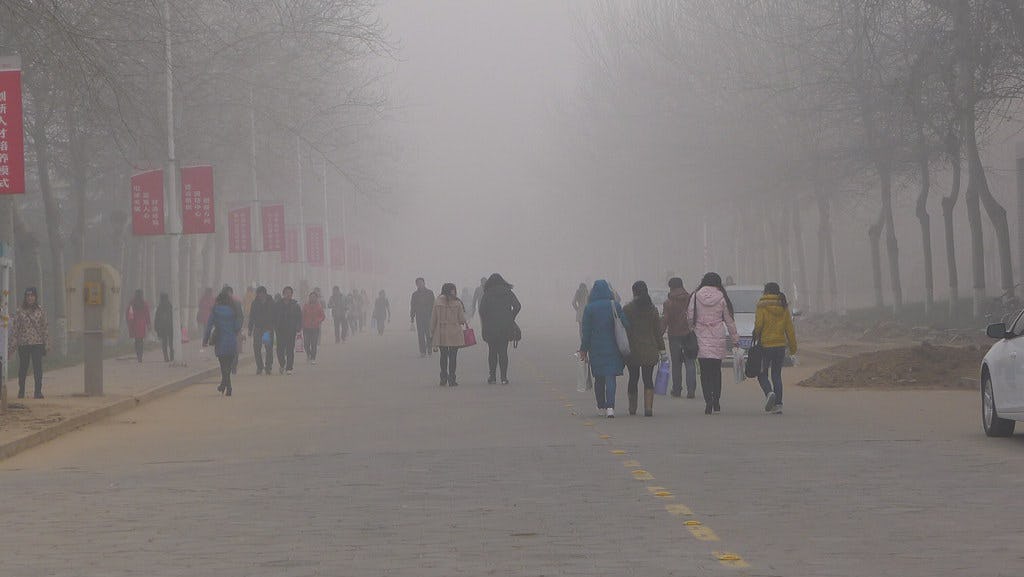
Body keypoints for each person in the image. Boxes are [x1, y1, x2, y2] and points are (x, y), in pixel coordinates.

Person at [687, 272, 739, 415]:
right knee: (716, 371)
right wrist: (735, 339)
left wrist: (693, 327)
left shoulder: (696, 296)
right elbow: (729, 320)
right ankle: (716, 400)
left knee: (704, 372)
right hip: (717, 336)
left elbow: (690, 316)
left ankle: (708, 401)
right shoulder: (722, 297)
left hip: (700, 336)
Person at [579, 280, 626, 418]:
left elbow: (586, 331)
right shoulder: (615, 305)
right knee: (610, 377)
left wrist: (583, 349)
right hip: (613, 347)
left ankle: (600, 406)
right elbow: (625, 323)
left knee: (599, 378)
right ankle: (610, 407)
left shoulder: (589, 308)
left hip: (596, 348)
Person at [754, 282, 798, 414]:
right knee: (776, 375)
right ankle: (778, 404)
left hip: (765, 346)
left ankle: (769, 393)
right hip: (779, 346)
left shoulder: (761, 305)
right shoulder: (783, 306)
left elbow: (759, 325)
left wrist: (755, 334)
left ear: (765, 292)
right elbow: (789, 329)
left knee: (762, 374)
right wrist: (793, 347)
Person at [623, 281, 665, 417]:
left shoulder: (628, 309)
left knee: (633, 378)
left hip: (633, 350)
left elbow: (624, 330)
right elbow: (657, 332)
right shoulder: (652, 309)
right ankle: (648, 408)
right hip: (650, 349)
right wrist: (662, 349)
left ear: (634, 292)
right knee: (648, 379)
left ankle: (632, 408)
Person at [478, 273, 522, 385]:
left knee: (492, 352)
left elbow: (482, 310)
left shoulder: (487, 294)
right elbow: (517, 306)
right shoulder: (508, 292)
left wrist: (487, 320)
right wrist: (510, 317)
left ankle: (492, 377)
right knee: (503, 352)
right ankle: (504, 377)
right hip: (505, 327)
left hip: (491, 327)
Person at [8, 287, 49, 399]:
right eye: (28, 295)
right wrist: (11, 347)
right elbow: (16, 329)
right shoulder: (19, 311)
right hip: (23, 343)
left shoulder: (40, 311)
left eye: (32, 295)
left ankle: (38, 392)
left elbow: (44, 328)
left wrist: (47, 343)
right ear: (25, 297)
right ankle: (21, 391)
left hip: (37, 343)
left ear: (35, 297)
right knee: (23, 368)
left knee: (37, 368)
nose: (30, 298)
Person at [203, 288, 243, 396]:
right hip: (231, 340)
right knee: (228, 366)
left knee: (223, 366)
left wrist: (205, 340)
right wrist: (235, 331)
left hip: (220, 340)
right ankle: (225, 385)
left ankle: (226, 386)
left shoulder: (215, 310)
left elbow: (209, 326)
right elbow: (238, 325)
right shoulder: (233, 310)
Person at [662, 277, 697, 398]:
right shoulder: (691, 300)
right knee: (690, 362)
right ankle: (691, 390)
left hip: (674, 335)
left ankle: (677, 389)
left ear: (671, 287)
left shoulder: (668, 303)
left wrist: (659, 334)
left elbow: (665, 320)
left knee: (676, 364)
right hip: (689, 334)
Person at [430, 283, 468, 386]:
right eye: (453, 290)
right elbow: (461, 319)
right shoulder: (457, 303)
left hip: (442, 332)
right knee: (453, 356)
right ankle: (452, 378)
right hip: (454, 332)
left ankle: (443, 378)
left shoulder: (437, 302)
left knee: (443, 356)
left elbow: (433, 318)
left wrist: (432, 331)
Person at [248, 286, 276, 376]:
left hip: (267, 329)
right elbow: (251, 316)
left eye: (262, 293)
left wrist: (274, 326)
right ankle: (259, 366)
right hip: (258, 328)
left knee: (268, 348)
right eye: (259, 293)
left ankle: (268, 367)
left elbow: (275, 315)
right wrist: (250, 328)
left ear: (265, 293)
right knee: (256, 347)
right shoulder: (255, 303)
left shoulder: (271, 303)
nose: (260, 295)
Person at [275, 286, 303, 375]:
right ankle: (282, 363)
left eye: (289, 292)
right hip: (280, 330)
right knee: (280, 349)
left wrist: (298, 327)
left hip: (291, 330)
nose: (288, 294)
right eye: (286, 292)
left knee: (290, 349)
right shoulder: (277, 305)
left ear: (292, 294)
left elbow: (299, 318)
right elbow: (273, 316)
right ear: (283, 294)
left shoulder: (295, 305)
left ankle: (289, 368)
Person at [410, 278, 435, 357]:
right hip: (419, 317)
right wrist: (412, 317)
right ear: (416, 285)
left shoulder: (430, 293)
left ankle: (429, 348)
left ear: (424, 283)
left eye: (421, 283)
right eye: (418, 283)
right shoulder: (415, 294)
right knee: (420, 334)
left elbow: (434, 305)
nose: (420, 284)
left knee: (429, 334)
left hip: (429, 316)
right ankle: (422, 351)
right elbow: (413, 306)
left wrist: (435, 316)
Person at [126, 289, 151, 363]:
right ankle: (140, 356)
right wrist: (148, 324)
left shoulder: (132, 303)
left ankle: (138, 355)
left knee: (136, 340)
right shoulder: (144, 303)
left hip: (134, 323)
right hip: (142, 324)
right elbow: (147, 314)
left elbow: (127, 313)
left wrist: (128, 322)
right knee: (141, 340)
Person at [302, 291, 326, 364]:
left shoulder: (319, 306)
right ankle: (308, 354)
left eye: (314, 297)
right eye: (311, 297)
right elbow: (302, 315)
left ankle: (313, 358)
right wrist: (301, 324)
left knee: (314, 343)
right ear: (309, 298)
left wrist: (318, 321)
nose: (312, 298)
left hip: (315, 328)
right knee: (306, 343)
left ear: (316, 298)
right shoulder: (305, 306)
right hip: (306, 327)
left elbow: (323, 316)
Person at [154, 293, 174, 363]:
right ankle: (172, 356)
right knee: (171, 343)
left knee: (164, 343)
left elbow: (156, 319)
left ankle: (166, 357)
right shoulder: (170, 306)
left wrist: (156, 328)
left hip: (162, 328)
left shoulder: (160, 307)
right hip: (170, 327)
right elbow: (174, 317)